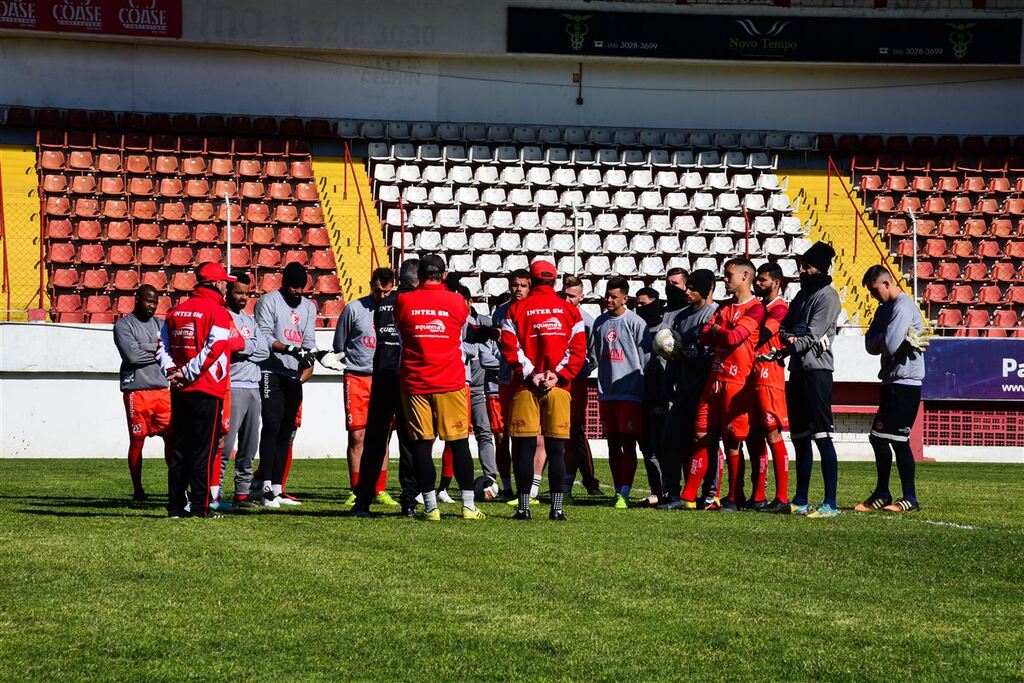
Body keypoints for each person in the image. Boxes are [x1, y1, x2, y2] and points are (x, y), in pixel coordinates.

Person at [393, 254, 484, 521]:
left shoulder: (404, 301)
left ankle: (431, 508)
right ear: (444, 275)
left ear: (419, 274)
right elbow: (463, 331)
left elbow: (402, 334)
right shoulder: (457, 301)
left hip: (414, 382)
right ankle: (468, 506)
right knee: (458, 444)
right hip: (451, 382)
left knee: (422, 446)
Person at [500, 260, 586, 521]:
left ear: (532, 280)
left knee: (525, 448)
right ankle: (556, 509)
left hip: (526, 387)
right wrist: (557, 375)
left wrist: (532, 374)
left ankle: (523, 508)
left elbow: (510, 348)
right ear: (555, 281)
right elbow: (578, 350)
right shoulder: (571, 311)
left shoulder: (515, 309)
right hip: (559, 387)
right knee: (556, 449)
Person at [156, 263, 244, 518]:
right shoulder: (218, 313)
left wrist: (173, 372)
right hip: (206, 388)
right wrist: (188, 373)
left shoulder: (176, 311)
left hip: (180, 389)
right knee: (204, 450)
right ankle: (200, 507)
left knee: (180, 448)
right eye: (225, 284)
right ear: (216, 284)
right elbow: (214, 349)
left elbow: (161, 347)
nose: (227, 289)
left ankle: (174, 507)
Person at [681, 259, 764, 512]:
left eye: (729, 275)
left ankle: (733, 496)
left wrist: (719, 329)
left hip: (737, 382)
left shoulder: (756, 308)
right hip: (714, 381)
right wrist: (720, 330)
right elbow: (705, 335)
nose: (725, 279)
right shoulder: (725, 307)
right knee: (700, 434)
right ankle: (689, 497)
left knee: (732, 442)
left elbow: (733, 337)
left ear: (745, 276)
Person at [778, 241, 843, 518]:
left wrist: (788, 347)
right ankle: (801, 499)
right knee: (801, 438)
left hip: (817, 372)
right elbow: (785, 327)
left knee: (822, 436)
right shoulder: (801, 296)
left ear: (820, 268)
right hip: (798, 371)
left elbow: (812, 335)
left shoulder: (828, 295)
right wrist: (787, 339)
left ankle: (830, 503)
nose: (802, 271)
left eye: (807, 266)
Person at [352, 260, 420, 517]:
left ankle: (363, 501)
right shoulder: (414, 304)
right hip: (405, 378)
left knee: (375, 440)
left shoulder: (383, 304)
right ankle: (409, 500)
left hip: (382, 377)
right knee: (409, 440)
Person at [857, 265, 926, 513]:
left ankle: (908, 498)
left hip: (905, 383)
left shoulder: (903, 307)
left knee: (895, 440)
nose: (874, 296)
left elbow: (888, 344)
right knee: (881, 439)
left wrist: (886, 340)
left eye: (875, 290)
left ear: (887, 284)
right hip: (891, 381)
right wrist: (887, 340)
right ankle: (884, 493)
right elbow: (871, 344)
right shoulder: (884, 309)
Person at [256, 261, 318, 508]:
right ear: (284, 284)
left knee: (286, 429)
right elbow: (263, 336)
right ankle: (265, 488)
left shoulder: (309, 307)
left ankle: (279, 488)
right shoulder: (269, 301)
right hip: (270, 370)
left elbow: (309, 341)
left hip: (293, 375)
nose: (298, 292)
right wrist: (290, 349)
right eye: (294, 287)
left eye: (302, 287)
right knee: (271, 425)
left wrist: (310, 361)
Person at [656, 270, 719, 510]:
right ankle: (673, 493)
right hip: (683, 390)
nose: (687, 291)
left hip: (705, 392)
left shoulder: (713, 315)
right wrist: (669, 383)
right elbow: (674, 357)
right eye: (687, 287)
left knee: (705, 445)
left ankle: (709, 495)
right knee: (670, 442)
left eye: (693, 288)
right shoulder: (681, 318)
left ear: (706, 289)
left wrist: (687, 359)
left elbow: (712, 358)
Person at [333, 267, 396, 506]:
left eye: (387, 292)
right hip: (357, 378)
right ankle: (357, 488)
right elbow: (340, 345)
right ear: (371, 286)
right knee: (357, 435)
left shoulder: (394, 310)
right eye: (378, 291)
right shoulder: (354, 309)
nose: (382, 296)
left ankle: (380, 489)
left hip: (384, 378)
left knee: (385, 436)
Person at [591, 276, 651, 509]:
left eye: (614, 296)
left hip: (630, 393)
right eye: (607, 295)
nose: (608, 299)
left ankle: (625, 490)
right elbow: (596, 355)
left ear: (625, 298)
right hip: (607, 391)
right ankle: (618, 489)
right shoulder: (599, 323)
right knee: (612, 442)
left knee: (628, 442)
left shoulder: (636, 323)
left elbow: (645, 360)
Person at [437, 286, 499, 502]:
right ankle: (442, 487)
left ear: (469, 301)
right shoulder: (450, 321)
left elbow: (481, 353)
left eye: (461, 300)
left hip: (478, 388)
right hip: (454, 385)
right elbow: (474, 351)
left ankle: (491, 478)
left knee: (485, 432)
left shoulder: (483, 322)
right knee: (452, 436)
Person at [214, 273, 270, 510]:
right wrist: (249, 349)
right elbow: (229, 349)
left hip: (253, 387)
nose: (243, 298)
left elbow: (264, 351)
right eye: (238, 293)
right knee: (225, 446)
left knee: (249, 445)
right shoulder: (223, 317)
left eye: (246, 294)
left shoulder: (249, 320)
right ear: (228, 291)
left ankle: (243, 494)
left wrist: (244, 349)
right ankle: (215, 493)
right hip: (233, 386)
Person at [112, 284, 174, 502]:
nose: (152, 305)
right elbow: (132, 357)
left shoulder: (161, 323)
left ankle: (175, 489)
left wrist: (146, 347)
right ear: (137, 298)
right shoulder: (123, 326)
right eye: (148, 300)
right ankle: (138, 490)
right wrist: (158, 351)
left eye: (155, 302)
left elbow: (170, 350)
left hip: (162, 391)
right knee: (137, 441)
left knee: (172, 440)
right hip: (136, 392)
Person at [746, 262, 792, 514]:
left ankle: (782, 498)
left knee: (773, 434)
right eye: (757, 280)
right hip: (752, 375)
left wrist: (739, 337)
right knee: (754, 435)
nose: (758, 284)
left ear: (776, 283)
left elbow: (764, 334)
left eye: (762, 280)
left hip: (769, 376)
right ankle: (758, 495)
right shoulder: (760, 307)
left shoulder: (780, 308)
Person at [490, 269, 532, 498]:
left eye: (523, 285)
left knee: (524, 436)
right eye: (515, 285)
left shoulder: (535, 310)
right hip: (507, 378)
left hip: (528, 381)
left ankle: (527, 488)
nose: (519, 289)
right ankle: (507, 487)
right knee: (502, 435)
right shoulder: (501, 311)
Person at [560, 275, 601, 497]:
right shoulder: (556, 314)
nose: (568, 300)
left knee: (574, 430)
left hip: (576, 381)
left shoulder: (588, 321)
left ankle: (582, 481)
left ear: (582, 297)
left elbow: (592, 356)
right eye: (565, 295)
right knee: (555, 430)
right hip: (558, 379)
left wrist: (579, 369)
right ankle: (569, 480)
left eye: (572, 296)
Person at [634, 286, 668, 505]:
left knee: (661, 447)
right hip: (641, 394)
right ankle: (657, 490)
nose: (639, 308)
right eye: (636, 304)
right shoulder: (637, 327)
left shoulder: (665, 328)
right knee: (646, 446)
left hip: (661, 395)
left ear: (655, 302)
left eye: (643, 303)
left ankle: (669, 489)